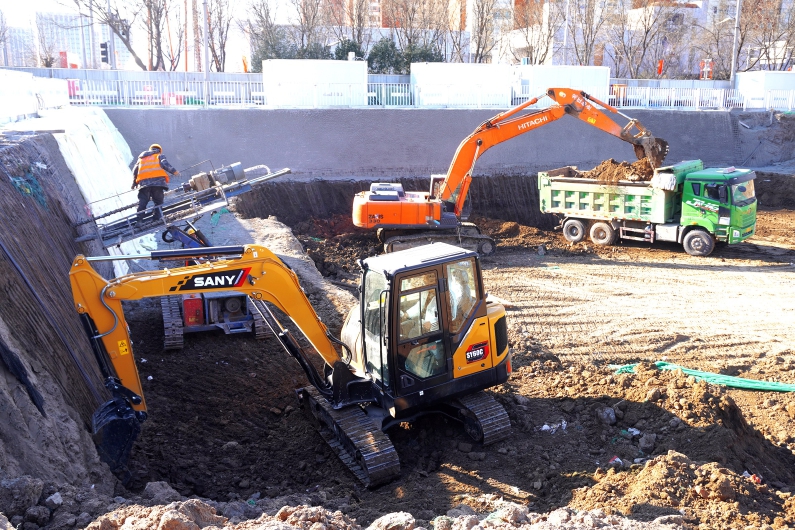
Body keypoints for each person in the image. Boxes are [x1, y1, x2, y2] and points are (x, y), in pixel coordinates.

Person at [131, 144, 179, 223]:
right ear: (159, 150)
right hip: (158, 183)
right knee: (158, 201)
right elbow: (165, 164)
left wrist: (134, 182)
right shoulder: (159, 156)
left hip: (144, 184)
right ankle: (156, 218)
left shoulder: (141, 158)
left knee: (142, 202)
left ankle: (139, 221)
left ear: (150, 150)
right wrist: (175, 172)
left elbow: (135, 170)